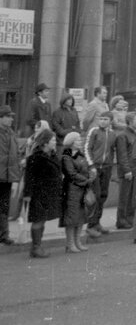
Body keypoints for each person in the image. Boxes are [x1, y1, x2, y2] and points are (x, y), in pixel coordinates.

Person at [23, 127, 62, 258]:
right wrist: (27, 194)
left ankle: (38, 246)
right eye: (52, 140)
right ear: (45, 142)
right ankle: (36, 248)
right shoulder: (35, 157)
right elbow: (29, 177)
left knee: (43, 219)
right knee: (38, 219)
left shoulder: (53, 155)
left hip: (50, 193)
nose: (55, 142)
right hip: (38, 194)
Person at [83, 110, 116, 238]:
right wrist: (91, 165)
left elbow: (112, 150)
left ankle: (97, 222)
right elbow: (87, 148)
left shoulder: (112, 134)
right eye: (101, 119)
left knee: (103, 195)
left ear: (110, 121)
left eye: (105, 119)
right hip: (95, 167)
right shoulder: (94, 131)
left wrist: (110, 164)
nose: (102, 121)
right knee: (95, 196)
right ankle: (90, 225)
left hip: (106, 167)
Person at [114, 111, 136, 229]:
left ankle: (130, 217)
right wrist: (126, 170)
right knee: (124, 197)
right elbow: (122, 155)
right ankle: (121, 220)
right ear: (130, 122)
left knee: (132, 197)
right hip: (127, 171)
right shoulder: (122, 136)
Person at [0, 106, 20, 245]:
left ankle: (4, 235)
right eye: (9, 116)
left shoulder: (12, 133)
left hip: (8, 176)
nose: (12, 119)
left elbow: (16, 154)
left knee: (4, 206)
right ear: (1, 118)